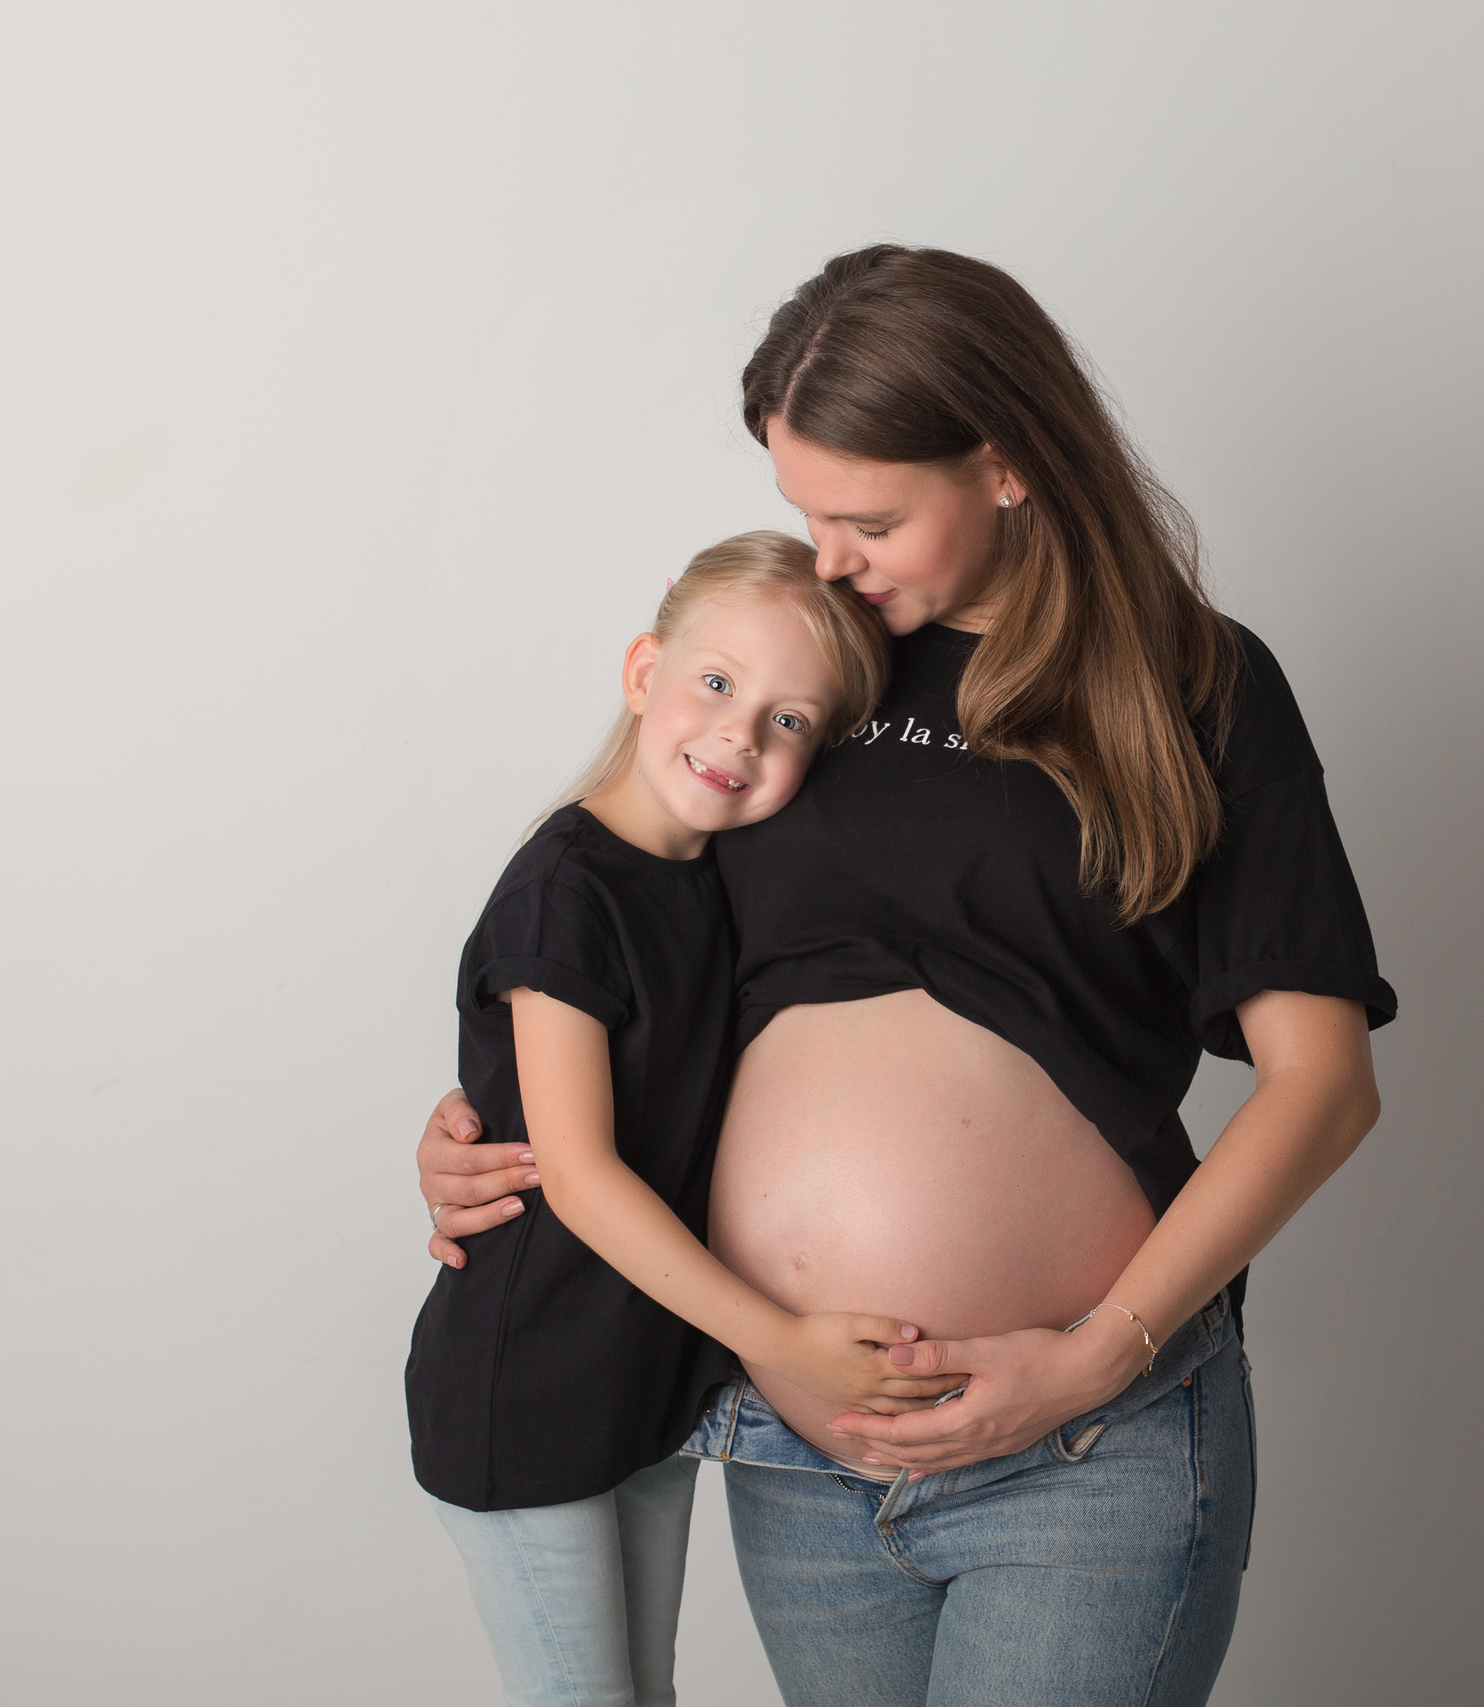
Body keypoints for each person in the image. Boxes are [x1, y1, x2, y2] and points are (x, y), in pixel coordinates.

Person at [420, 246, 1397, 1707]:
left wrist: (1091, 1358)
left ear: (1003, 463)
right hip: (793, 1439)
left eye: (867, 516)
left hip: (1083, 1446)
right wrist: (483, 1128)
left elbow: (1324, 1086)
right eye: (802, 512)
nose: (828, 557)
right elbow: (613, 939)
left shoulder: (1197, 684)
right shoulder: (807, 668)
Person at [408, 531, 938, 1707]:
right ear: (645, 672)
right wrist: (780, 1340)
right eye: (716, 684)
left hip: (642, 1379)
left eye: (791, 721)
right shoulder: (566, 895)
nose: (739, 736)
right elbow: (582, 1178)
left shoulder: (723, 883)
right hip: (531, 1377)